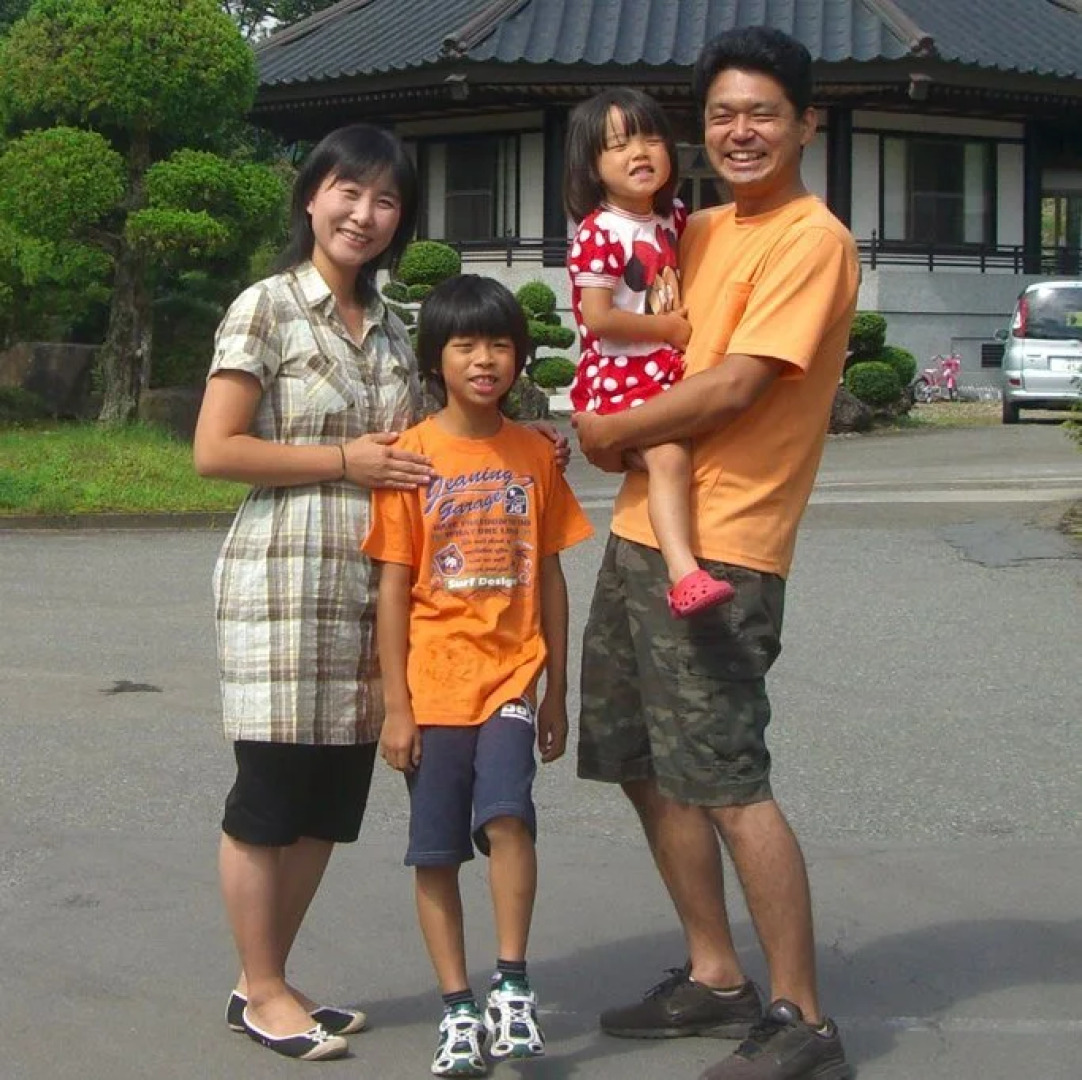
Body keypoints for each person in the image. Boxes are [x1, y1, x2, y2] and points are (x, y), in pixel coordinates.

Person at [572, 27, 860, 1080]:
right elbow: (624, 329)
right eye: (722, 114)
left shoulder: (810, 240)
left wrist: (606, 432)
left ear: (806, 123)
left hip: (725, 549)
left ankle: (802, 1015)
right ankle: (714, 971)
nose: (740, 131)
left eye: (763, 113)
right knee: (643, 764)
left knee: (728, 777)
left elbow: (736, 383)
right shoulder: (691, 231)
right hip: (639, 530)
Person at [362, 274, 593, 1078]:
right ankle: (457, 1005)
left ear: (521, 356)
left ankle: (512, 985)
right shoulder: (411, 459)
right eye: (465, 345)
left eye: (500, 345)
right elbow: (394, 588)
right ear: (437, 359)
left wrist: (557, 689)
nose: (484, 360)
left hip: (511, 678)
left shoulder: (535, 454)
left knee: (508, 818)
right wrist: (397, 706)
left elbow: (553, 576)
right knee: (435, 850)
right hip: (432, 686)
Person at [564, 88, 733, 618]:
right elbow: (598, 317)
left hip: (661, 369)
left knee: (676, 457)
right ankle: (684, 575)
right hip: (621, 375)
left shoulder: (673, 217)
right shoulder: (599, 232)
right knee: (669, 457)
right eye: (618, 146)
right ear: (592, 167)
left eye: (651, 139)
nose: (639, 153)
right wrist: (666, 327)